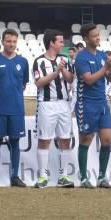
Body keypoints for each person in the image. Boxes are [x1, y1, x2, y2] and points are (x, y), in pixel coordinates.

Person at [0, 29, 29, 187]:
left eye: (14, 41)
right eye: (8, 41)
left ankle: (15, 176)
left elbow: (23, 85)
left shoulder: (23, 62)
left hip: (16, 108)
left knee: (15, 141)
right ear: (3, 42)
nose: (11, 44)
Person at [75, 23, 111, 189]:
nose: (98, 38)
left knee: (107, 140)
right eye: (94, 36)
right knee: (86, 139)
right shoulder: (81, 57)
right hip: (87, 103)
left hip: (102, 102)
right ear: (86, 38)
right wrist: (106, 67)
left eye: (98, 35)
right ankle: (84, 177)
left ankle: (101, 177)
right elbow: (89, 80)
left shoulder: (101, 55)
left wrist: (110, 69)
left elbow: (110, 79)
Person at [33, 29, 75, 188]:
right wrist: (56, 71)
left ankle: (63, 176)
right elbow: (39, 82)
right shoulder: (39, 61)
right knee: (44, 139)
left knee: (65, 139)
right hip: (47, 104)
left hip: (64, 103)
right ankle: (43, 177)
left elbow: (71, 79)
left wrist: (63, 70)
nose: (63, 44)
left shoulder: (65, 59)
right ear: (51, 43)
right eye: (60, 42)